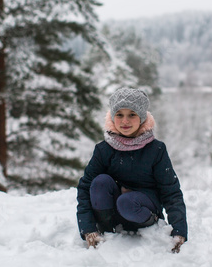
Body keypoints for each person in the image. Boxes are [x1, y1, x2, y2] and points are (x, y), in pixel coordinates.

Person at [76, 88, 188, 253]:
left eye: (132, 114)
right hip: (113, 213)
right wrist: (88, 228)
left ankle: (147, 223)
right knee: (99, 182)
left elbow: (170, 191)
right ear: (113, 117)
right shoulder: (103, 150)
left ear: (142, 117)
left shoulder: (156, 149)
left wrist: (179, 231)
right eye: (119, 115)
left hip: (143, 212)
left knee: (127, 201)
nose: (125, 121)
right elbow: (85, 187)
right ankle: (106, 232)